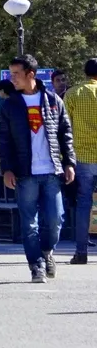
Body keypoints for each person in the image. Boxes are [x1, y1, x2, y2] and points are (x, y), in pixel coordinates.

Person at [0, 53, 76, 283]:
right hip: (24, 173)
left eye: (16, 74)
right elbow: (3, 139)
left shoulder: (53, 100)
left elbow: (65, 134)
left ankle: (46, 251)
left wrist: (69, 162)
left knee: (55, 220)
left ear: (30, 74)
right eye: (11, 74)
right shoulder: (10, 104)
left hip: (51, 171)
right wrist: (7, 169)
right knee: (29, 222)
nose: (12, 79)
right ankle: (36, 265)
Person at [65, 58, 97, 264]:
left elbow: (64, 128)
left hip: (82, 156)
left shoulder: (73, 94)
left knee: (83, 204)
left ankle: (81, 251)